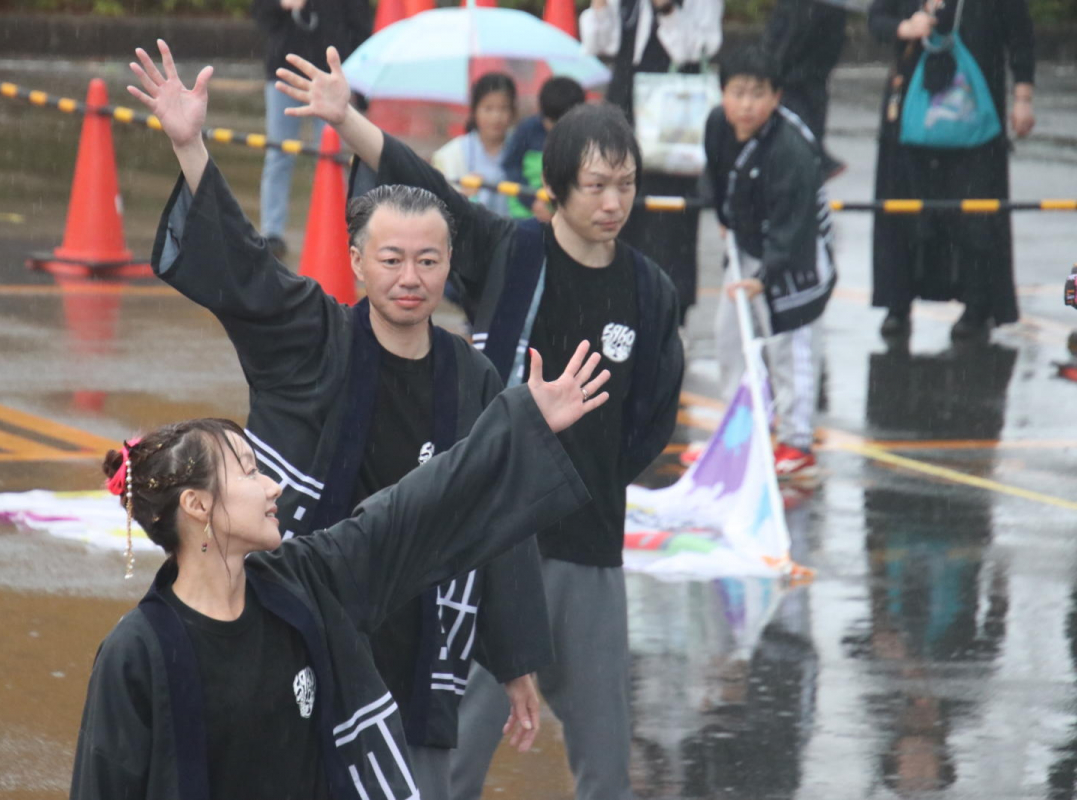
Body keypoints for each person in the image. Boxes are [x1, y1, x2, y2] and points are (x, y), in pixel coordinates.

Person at [126, 41, 558, 799]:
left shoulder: (472, 377)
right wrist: (190, 146)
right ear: (356, 260)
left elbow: (501, 514)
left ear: (450, 265)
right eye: (390, 259)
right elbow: (247, 272)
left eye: (428, 261)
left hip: (416, 639)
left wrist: (517, 661)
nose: (410, 279)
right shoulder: (314, 338)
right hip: (303, 623)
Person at [276, 46, 685, 800]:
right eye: (595, 184)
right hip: (486, 544)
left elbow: (654, 417)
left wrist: (586, 478)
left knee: (604, 754)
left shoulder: (650, 290)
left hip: (588, 549)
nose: (612, 202)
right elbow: (429, 191)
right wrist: (348, 119)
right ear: (558, 185)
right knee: (450, 748)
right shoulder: (512, 252)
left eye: (625, 185)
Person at [69, 340, 610, 799]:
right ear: (197, 506)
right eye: (250, 473)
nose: (272, 486)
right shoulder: (137, 653)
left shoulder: (305, 584)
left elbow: (415, 509)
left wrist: (518, 426)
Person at [703, 45, 836, 478]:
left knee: (789, 346)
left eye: (757, 93)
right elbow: (719, 178)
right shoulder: (717, 126)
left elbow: (796, 223)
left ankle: (797, 443)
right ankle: (741, 432)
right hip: (747, 246)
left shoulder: (791, 150)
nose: (745, 104)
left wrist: (768, 274)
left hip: (794, 256)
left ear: (776, 96)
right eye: (737, 92)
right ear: (722, 93)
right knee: (730, 338)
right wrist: (727, 220)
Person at [868, 0, 1035, 340]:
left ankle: (978, 306)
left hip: (977, 114)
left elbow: (1020, 34)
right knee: (903, 210)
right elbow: (877, 18)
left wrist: (1023, 97)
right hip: (909, 116)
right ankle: (897, 304)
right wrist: (905, 27)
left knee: (976, 215)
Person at [579, 0, 725, 326]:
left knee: (670, 226)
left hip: (672, 123)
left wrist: (667, 10)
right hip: (626, 109)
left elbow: (697, 48)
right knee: (619, 213)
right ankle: (619, 311)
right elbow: (599, 43)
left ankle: (672, 317)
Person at [252, 0, 371, 259]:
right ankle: (272, 232)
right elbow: (261, 15)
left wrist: (359, 85)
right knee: (278, 153)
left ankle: (345, 232)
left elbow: (361, 25)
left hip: (331, 77)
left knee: (334, 158)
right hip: (283, 72)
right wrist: (281, 5)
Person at [761, 0, 848, 178]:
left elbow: (789, 38)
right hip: (807, 72)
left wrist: (775, 65)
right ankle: (817, 159)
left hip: (798, 74)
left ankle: (814, 160)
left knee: (797, 116)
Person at [501, 75, 586, 222]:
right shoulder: (527, 130)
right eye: (551, 122)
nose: (556, 129)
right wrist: (532, 202)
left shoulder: (585, 136)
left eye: (563, 124)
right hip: (525, 211)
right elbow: (511, 166)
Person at [432, 72, 517, 217]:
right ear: (474, 111)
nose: (496, 117)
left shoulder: (521, 149)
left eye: (503, 108)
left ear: (513, 112)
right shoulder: (452, 154)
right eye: (488, 108)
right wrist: (461, 195)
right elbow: (438, 204)